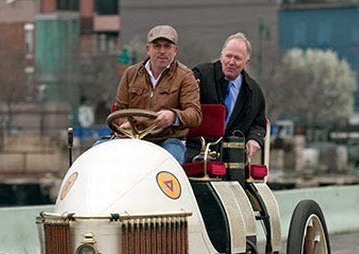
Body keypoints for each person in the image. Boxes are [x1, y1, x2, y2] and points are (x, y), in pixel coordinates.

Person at [110, 25, 202, 164]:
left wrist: (173, 116)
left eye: (167, 46)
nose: (162, 51)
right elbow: (119, 111)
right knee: (99, 154)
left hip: (169, 139)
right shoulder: (131, 74)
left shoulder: (185, 76)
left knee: (169, 163)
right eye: (157, 46)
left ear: (175, 50)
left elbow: (195, 115)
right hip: (133, 138)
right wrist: (125, 123)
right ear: (148, 49)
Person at [192, 32, 266, 161]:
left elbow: (258, 124)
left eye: (237, 58)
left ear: (246, 63)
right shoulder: (201, 75)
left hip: (233, 154)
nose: (231, 62)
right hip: (196, 149)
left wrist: (255, 139)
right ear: (221, 56)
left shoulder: (254, 92)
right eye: (228, 56)